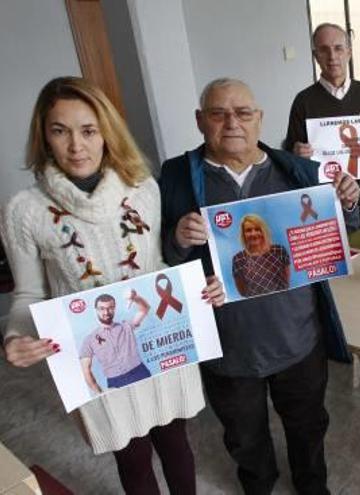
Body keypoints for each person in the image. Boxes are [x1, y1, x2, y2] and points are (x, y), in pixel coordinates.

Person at [1, 76, 224, 494]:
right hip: (100, 360)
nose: (76, 146)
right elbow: (29, 294)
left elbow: (156, 264)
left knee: (177, 445)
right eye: (60, 131)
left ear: (106, 132)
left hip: (159, 344)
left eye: (88, 130)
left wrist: (197, 292)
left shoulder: (143, 189)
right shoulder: (25, 211)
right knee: (133, 458)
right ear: (44, 138)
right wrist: (16, 335)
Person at [160, 78, 360, 495]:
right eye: (218, 113)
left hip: (297, 336)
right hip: (228, 345)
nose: (232, 122)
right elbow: (158, 258)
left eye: (243, 113)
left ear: (259, 119)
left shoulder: (297, 170)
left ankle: (311, 484)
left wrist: (348, 204)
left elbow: (343, 232)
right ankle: (258, 484)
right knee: (243, 436)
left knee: (307, 425)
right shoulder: (177, 175)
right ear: (201, 121)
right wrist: (178, 238)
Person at [284, 23, 360, 229]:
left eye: (338, 48)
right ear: (316, 56)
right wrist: (297, 153)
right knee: (338, 257)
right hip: (328, 199)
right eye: (324, 49)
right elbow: (290, 158)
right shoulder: (303, 101)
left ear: (349, 53)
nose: (332, 56)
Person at [80, 291, 151, 392]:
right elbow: (86, 370)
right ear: (96, 310)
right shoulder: (89, 340)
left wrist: (135, 298)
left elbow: (145, 309)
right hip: (116, 382)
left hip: (140, 372)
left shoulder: (126, 326)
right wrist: (100, 394)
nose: (106, 312)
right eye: (102, 308)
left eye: (110, 308)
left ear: (114, 308)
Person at [232, 214, 291, 297]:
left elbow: (286, 283)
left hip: (281, 300)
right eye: (248, 230)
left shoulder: (279, 251)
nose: (253, 233)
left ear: (263, 231)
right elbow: (243, 292)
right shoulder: (238, 259)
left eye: (257, 229)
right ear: (243, 234)